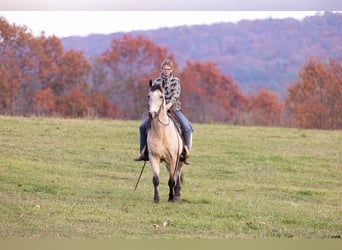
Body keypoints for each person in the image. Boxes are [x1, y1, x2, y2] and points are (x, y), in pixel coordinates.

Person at [134, 58, 193, 164]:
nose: (166, 71)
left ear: (172, 70)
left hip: (174, 109)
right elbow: (153, 96)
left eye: (168, 69)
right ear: (161, 69)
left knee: (187, 127)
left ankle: (185, 153)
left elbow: (176, 94)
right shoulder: (156, 81)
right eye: (164, 69)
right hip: (158, 111)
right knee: (142, 127)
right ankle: (144, 152)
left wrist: (169, 105)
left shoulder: (176, 81)